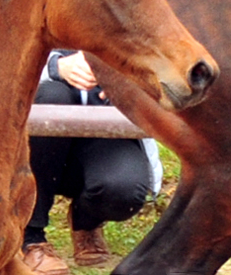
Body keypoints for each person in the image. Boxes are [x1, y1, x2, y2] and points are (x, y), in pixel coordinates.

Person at [22, 50, 163, 275]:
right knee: (52, 96)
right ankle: (30, 238)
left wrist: (129, 83)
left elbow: (168, 70)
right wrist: (54, 67)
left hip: (107, 129)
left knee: (124, 191)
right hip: (41, 134)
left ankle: (85, 222)